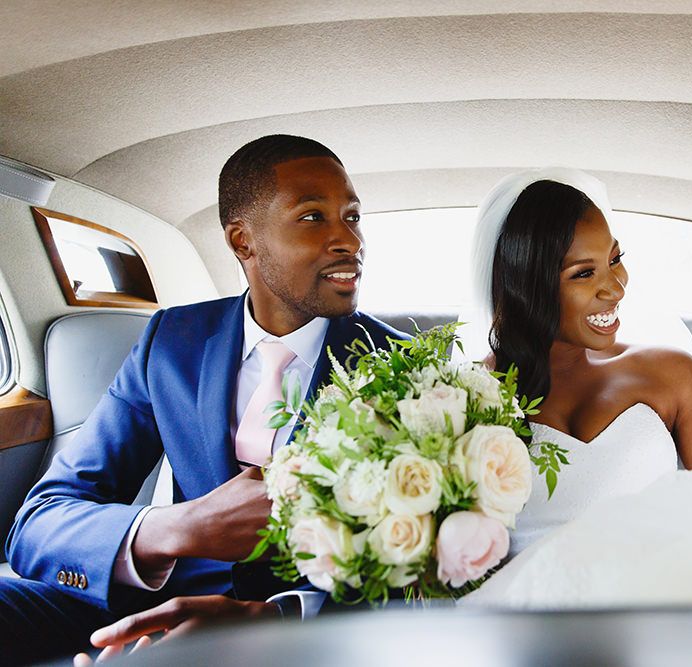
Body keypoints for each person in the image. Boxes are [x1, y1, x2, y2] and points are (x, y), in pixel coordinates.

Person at [1, 134, 407, 664]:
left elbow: (423, 568)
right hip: (152, 600)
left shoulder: (403, 370)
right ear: (243, 241)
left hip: (303, 630)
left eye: (352, 217)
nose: (348, 240)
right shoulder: (171, 342)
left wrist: (286, 617)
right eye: (314, 217)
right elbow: (40, 520)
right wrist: (178, 527)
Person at [467, 168, 692, 556]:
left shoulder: (673, 375)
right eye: (584, 273)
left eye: (615, 258)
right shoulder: (462, 401)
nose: (616, 287)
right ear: (529, 286)